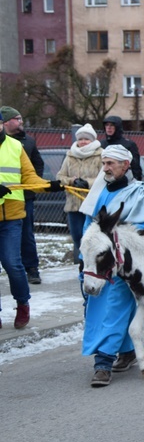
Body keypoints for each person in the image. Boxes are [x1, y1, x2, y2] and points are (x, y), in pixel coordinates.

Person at [78, 145, 144, 387]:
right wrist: (83, 258)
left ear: (125, 165)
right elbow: (89, 229)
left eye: (110, 163)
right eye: (104, 163)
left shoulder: (142, 193)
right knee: (98, 308)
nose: (105, 168)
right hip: (96, 264)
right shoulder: (98, 192)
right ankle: (127, 351)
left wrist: (125, 236)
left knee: (113, 308)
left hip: (125, 267)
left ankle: (103, 363)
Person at [0, 111, 64, 329]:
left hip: (12, 216)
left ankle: (22, 304)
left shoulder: (16, 146)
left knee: (12, 263)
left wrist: (50, 185)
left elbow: (29, 178)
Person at [0, 106, 44, 284]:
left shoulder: (25, 143)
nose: (21, 122)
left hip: (19, 202)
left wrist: (43, 186)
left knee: (22, 244)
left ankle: (31, 271)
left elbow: (34, 170)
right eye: (17, 119)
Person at [56, 124, 103, 263]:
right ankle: (83, 264)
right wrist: (71, 181)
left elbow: (104, 177)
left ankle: (94, 264)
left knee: (92, 237)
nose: (83, 141)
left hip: (93, 205)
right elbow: (60, 176)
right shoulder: (70, 155)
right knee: (77, 236)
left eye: (86, 139)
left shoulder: (101, 155)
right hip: (74, 205)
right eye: (80, 138)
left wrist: (87, 183)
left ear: (92, 140)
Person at [100, 115, 142, 180]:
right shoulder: (101, 144)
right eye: (107, 125)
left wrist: (136, 182)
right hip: (103, 180)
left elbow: (136, 168)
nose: (109, 128)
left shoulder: (129, 145)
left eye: (112, 125)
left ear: (117, 127)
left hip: (124, 181)